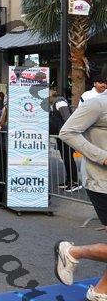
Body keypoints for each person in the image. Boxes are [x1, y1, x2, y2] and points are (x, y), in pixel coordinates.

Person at [55, 95, 107, 301]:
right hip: (103, 183)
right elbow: (67, 132)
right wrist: (103, 156)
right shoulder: (98, 103)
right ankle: (73, 253)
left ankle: (101, 291)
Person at [49, 89, 79, 192]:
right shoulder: (55, 103)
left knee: (68, 158)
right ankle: (69, 180)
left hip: (66, 135)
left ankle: (74, 182)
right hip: (61, 135)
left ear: (51, 96)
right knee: (66, 158)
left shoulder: (60, 102)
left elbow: (67, 119)